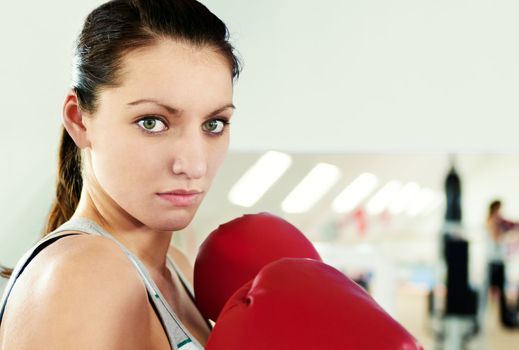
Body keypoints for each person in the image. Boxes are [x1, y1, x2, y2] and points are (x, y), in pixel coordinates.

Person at [0, 0, 240, 348]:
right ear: (79, 119)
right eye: (152, 122)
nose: (194, 165)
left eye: (213, 124)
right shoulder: (83, 275)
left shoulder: (177, 267)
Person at [485, 199, 519, 328]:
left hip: (496, 261)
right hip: (495, 262)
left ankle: (506, 319)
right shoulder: (493, 221)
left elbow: (511, 224)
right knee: (498, 294)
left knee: (500, 294)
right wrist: (507, 235)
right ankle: (505, 320)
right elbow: (496, 237)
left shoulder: (496, 221)